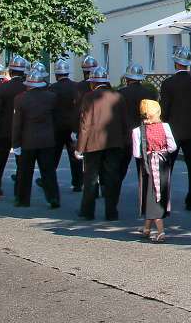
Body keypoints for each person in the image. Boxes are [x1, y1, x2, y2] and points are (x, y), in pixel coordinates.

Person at [77, 63, 129, 221]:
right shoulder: (118, 96)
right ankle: (111, 212)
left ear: (93, 82)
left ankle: (87, 211)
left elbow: (84, 124)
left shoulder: (89, 97)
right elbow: (124, 122)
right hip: (114, 143)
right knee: (112, 177)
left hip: (93, 143)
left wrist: (80, 147)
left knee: (91, 178)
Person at [159, 48, 191, 211]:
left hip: (172, 131)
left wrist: (163, 127)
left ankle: (163, 199)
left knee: (167, 166)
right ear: (188, 65)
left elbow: (163, 110)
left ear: (176, 63)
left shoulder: (167, 84)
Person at [11, 64, 61, 209]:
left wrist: (16, 143)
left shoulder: (20, 99)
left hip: (28, 140)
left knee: (25, 172)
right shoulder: (51, 97)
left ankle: (23, 199)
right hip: (47, 140)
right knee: (48, 172)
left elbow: (17, 124)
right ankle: (53, 197)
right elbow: (55, 119)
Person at [133, 98, 178, 241]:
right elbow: (173, 147)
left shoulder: (137, 131)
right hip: (163, 162)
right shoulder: (165, 127)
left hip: (148, 163)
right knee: (160, 192)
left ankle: (160, 231)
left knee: (151, 195)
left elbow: (137, 154)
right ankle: (146, 227)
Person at [0, 57, 28, 199]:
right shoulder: (27, 87)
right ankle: (19, 192)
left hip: (4, 130)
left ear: (10, 71)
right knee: (21, 163)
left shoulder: (3, 87)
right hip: (22, 130)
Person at [48, 58, 85, 194]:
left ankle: (49, 180)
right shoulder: (76, 86)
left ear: (57, 74)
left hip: (57, 126)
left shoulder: (52, 88)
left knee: (54, 156)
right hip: (73, 127)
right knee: (75, 156)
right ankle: (77, 182)